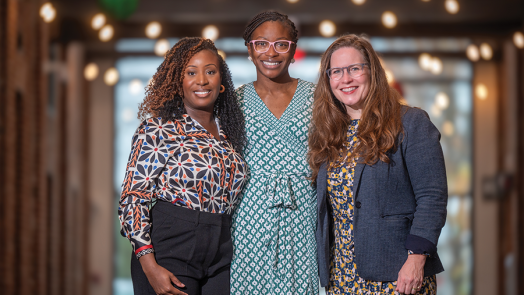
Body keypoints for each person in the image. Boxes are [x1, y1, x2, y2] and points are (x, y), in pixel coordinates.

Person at [308, 34, 448, 295]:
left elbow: (432, 197)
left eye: (354, 69)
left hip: (399, 275)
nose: (345, 79)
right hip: (342, 276)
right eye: (336, 71)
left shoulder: (410, 122)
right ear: (328, 80)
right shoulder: (328, 134)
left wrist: (416, 259)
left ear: (372, 72)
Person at [119, 37, 248, 295]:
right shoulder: (159, 129)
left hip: (221, 247)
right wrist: (149, 266)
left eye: (210, 71)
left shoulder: (229, 134)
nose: (202, 80)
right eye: (191, 72)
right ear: (178, 81)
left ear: (222, 82)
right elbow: (133, 199)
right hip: (172, 244)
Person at [230, 11, 319, 295]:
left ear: (293, 49)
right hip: (249, 211)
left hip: (302, 209)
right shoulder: (233, 100)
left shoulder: (318, 97)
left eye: (281, 44)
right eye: (262, 44)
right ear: (250, 49)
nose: (271, 52)